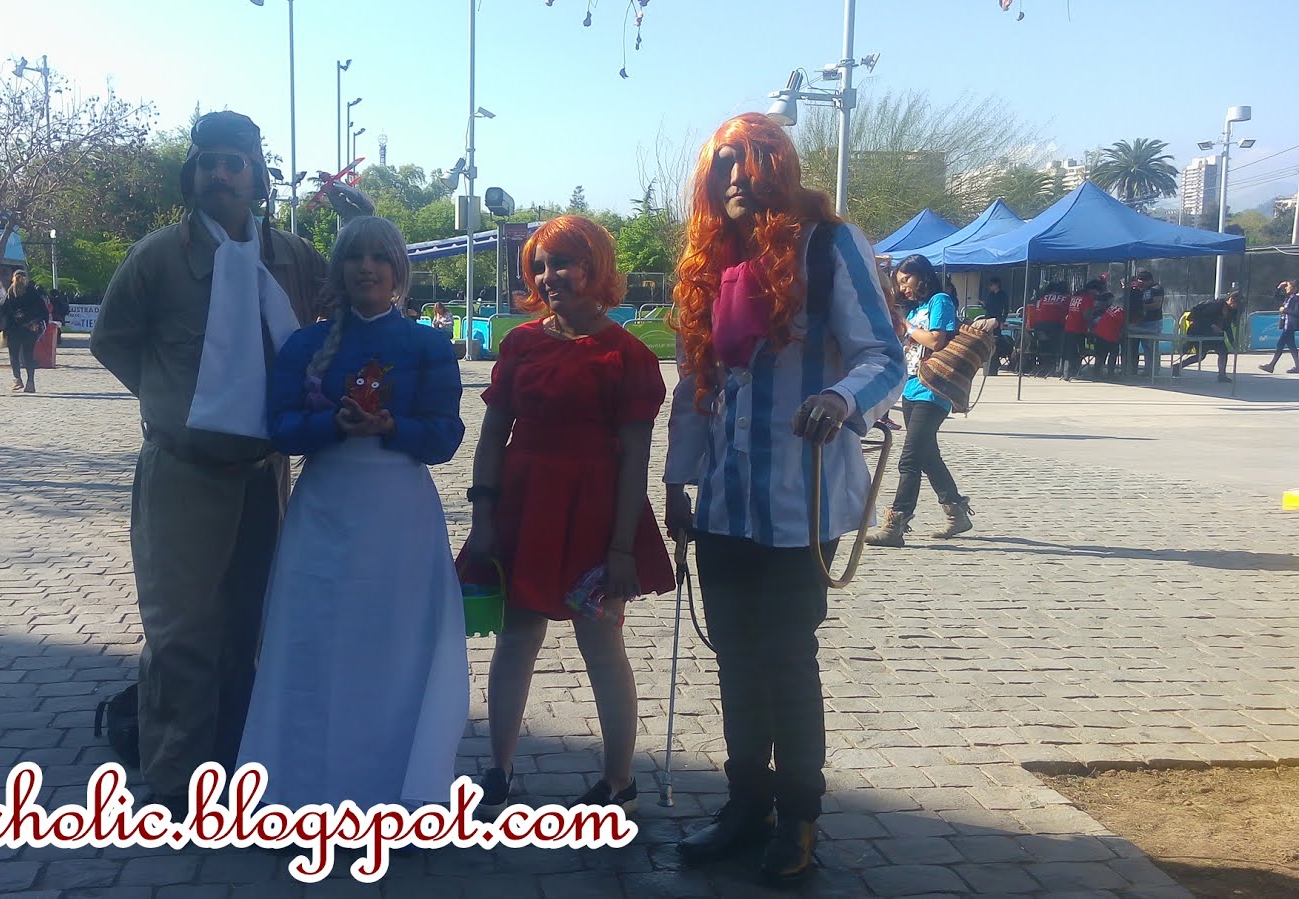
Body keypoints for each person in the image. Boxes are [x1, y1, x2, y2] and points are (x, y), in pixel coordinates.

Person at [662, 114, 905, 885]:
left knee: (787, 660)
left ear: (780, 167)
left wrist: (840, 397)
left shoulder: (829, 245)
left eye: (751, 160)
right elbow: (696, 384)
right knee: (736, 659)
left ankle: (799, 814)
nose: (735, 176)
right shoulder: (713, 262)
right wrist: (676, 481)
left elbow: (884, 355)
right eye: (722, 163)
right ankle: (747, 805)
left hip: (802, 501)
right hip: (725, 503)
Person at [91, 110, 346, 816]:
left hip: (263, 472)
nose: (220, 174)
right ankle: (176, 776)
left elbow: (345, 308)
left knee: (249, 625)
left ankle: (238, 762)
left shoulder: (291, 256)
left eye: (235, 162)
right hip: (184, 471)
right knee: (181, 630)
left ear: (257, 176)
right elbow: (111, 341)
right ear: (193, 175)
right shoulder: (157, 257)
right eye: (208, 162)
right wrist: (176, 401)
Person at [236, 216, 467, 809]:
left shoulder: (428, 345)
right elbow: (280, 428)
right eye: (355, 256)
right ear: (337, 269)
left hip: (401, 522)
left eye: (380, 256)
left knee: (396, 653)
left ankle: (398, 799)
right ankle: (298, 798)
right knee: (313, 648)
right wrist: (329, 426)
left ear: (398, 269)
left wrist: (392, 426)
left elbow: (444, 438)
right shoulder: (304, 345)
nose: (367, 267)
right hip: (324, 515)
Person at [460, 215, 675, 820]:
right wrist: (482, 517)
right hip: (523, 511)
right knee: (516, 638)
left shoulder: (628, 355)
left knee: (602, 646)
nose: (548, 276)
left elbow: (636, 457)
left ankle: (619, 779)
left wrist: (622, 549)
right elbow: (492, 435)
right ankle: (498, 770)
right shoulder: (521, 343)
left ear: (594, 266)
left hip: (594, 518)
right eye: (539, 265)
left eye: (562, 262)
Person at [867, 254, 973, 548]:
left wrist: (909, 328)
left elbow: (937, 340)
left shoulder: (940, 301)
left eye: (906, 280)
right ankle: (956, 511)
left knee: (910, 459)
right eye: (900, 283)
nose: (903, 288)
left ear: (922, 276)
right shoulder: (915, 309)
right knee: (927, 455)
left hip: (934, 389)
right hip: (912, 387)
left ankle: (896, 524)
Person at [1171, 291, 1241, 382]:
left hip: (1215, 335)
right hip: (1200, 331)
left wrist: (1232, 342)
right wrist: (1212, 325)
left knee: (1223, 352)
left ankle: (1222, 375)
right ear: (1231, 299)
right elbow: (1198, 314)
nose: (1238, 306)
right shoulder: (1216, 305)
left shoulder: (1232, 311)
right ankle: (1177, 367)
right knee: (1201, 355)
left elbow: (1227, 327)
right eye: (1237, 303)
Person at [1, 270, 46, 393]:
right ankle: (30, 383)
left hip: (13, 329)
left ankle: (17, 380)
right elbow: (43, 309)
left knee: (14, 355)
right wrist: (39, 323)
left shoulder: (10, 292)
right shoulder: (32, 292)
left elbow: (1, 307)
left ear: (13, 278)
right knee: (29, 355)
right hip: (30, 328)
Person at [1128, 270, 1166, 376]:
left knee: (1150, 348)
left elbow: (1157, 305)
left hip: (1153, 322)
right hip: (1140, 322)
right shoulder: (1141, 289)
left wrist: (1140, 307)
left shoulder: (1157, 289)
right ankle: (1141, 369)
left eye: (1143, 282)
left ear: (1149, 280)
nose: (1142, 284)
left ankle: (1153, 370)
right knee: (1141, 347)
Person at [1061, 280, 1100, 381]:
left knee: (1069, 351)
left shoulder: (1076, 297)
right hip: (1078, 329)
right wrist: (1092, 324)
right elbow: (1086, 315)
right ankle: (1074, 371)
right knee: (1078, 352)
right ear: (1093, 290)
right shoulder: (1088, 298)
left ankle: (1066, 373)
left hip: (1069, 327)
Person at [1258, 280, 1299, 373]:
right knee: (1291, 346)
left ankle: (1271, 366)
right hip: (1286, 325)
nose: (1286, 288)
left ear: (1294, 288)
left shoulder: (1296, 299)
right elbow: (1275, 298)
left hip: (1290, 326)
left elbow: (1297, 312)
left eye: (1288, 286)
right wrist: (1279, 287)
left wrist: (1285, 310)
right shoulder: (1288, 298)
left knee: (1280, 345)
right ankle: (1297, 366)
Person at [1092, 294, 1126, 380]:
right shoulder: (1122, 313)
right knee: (1113, 354)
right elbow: (1123, 327)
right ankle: (1110, 374)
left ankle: (1096, 373)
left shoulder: (1112, 308)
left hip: (1099, 333)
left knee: (1100, 355)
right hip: (1110, 336)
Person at [981, 276, 1009, 375]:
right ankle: (991, 361)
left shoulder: (1003, 295)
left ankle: (995, 361)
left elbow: (1006, 309)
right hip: (989, 318)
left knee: (996, 340)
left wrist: (1002, 321)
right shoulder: (990, 295)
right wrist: (983, 304)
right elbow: (988, 307)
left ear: (997, 285)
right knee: (988, 338)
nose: (990, 287)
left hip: (997, 318)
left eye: (991, 285)